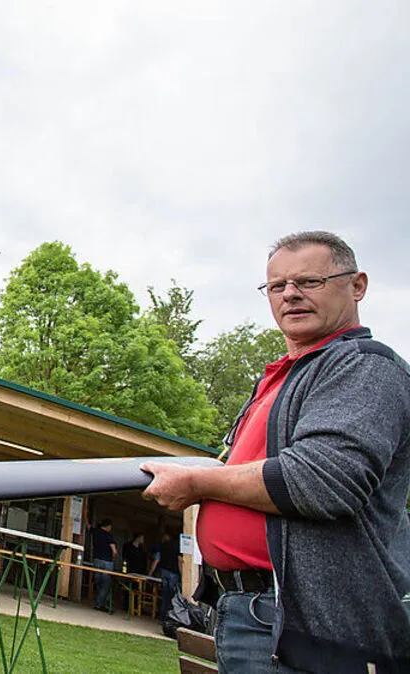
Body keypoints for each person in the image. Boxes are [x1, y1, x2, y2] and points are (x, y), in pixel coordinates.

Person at [143, 231, 410, 672]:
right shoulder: (283, 377)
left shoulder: (363, 366)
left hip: (307, 623)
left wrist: (198, 481)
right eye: (277, 286)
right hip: (248, 609)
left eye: (310, 281)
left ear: (357, 285)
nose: (291, 295)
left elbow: (323, 481)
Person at [147, 531, 180, 619]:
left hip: (164, 571)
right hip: (174, 572)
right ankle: (170, 617)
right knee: (173, 596)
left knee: (165, 595)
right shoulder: (178, 546)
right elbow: (180, 559)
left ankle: (162, 616)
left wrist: (150, 573)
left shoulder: (163, 546)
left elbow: (157, 560)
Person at [89, 519, 117, 612]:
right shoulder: (109, 536)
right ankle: (100, 604)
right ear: (108, 526)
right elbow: (114, 551)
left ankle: (100, 602)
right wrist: (113, 559)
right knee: (106, 584)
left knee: (98, 581)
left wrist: (85, 514)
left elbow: (88, 526)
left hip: (97, 560)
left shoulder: (96, 532)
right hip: (107, 561)